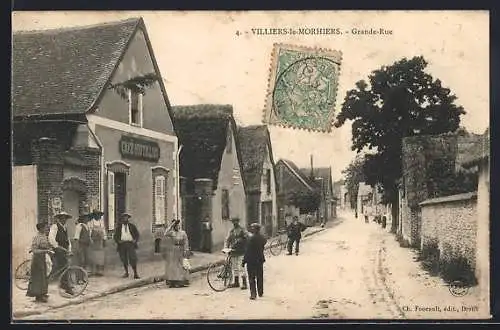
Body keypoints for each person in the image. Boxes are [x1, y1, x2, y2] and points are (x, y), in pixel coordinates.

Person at [27, 222, 53, 303]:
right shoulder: (37, 237)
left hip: (42, 259)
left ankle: (42, 294)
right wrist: (46, 250)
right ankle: (38, 296)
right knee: (38, 277)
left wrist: (50, 248)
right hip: (37, 260)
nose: (47, 229)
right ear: (41, 228)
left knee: (43, 277)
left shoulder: (44, 236)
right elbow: (34, 250)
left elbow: (47, 245)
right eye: (46, 227)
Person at [48, 211, 73, 294]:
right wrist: (57, 247)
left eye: (65, 218)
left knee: (64, 267)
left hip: (64, 250)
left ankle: (64, 284)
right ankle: (66, 286)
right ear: (59, 219)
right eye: (62, 218)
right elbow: (51, 239)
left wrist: (69, 249)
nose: (64, 220)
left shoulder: (65, 227)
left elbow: (67, 240)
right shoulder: (55, 227)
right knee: (61, 267)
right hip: (57, 250)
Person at [242, 223, 267, 300]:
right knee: (260, 276)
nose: (251, 229)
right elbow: (263, 244)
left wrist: (244, 261)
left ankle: (253, 294)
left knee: (251, 277)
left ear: (255, 229)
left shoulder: (250, 239)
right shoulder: (262, 238)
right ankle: (260, 292)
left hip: (251, 260)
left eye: (253, 228)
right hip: (259, 259)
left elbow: (247, 251)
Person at [163, 219, 190, 288]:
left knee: (180, 266)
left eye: (178, 225)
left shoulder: (183, 233)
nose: (177, 227)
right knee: (173, 266)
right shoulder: (172, 233)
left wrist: (186, 250)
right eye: (175, 226)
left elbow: (186, 242)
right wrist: (171, 225)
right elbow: (165, 233)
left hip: (181, 250)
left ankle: (180, 281)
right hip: (173, 250)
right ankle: (173, 281)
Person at [113, 213, 140, 279]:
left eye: (126, 217)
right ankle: (126, 272)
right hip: (122, 244)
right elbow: (115, 236)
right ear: (122, 219)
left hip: (130, 244)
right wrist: (118, 241)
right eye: (124, 218)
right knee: (124, 259)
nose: (125, 219)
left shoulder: (132, 226)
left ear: (128, 219)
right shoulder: (119, 227)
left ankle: (135, 273)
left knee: (133, 258)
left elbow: (137, 234)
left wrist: (135, 240)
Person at [224, 218, 248, 289]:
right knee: (235, 268)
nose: (234, 223)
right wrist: (226, 248)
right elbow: (227, 240)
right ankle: (236, 282)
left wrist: (242, 239)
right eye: (233, 222)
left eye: (236, 221)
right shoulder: (231, 231)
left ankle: (244, 283)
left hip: (241, 251)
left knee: (241, 267)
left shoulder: (242, 230)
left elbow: (247, 237)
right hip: (233, 251)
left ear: (238, 222)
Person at [88, 209, 106, 276]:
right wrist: (90, 240)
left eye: (99, 215)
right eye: (96, 214)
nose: (98, 216)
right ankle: (93, 271)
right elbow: (89, 232)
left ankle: (99, 271)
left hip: (100, 241)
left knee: (100, 256)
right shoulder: (90, 222)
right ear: (94, 215)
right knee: (93, 256)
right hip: (94, 241)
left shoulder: (101, 222)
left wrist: (104, 239)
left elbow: (103, 231)